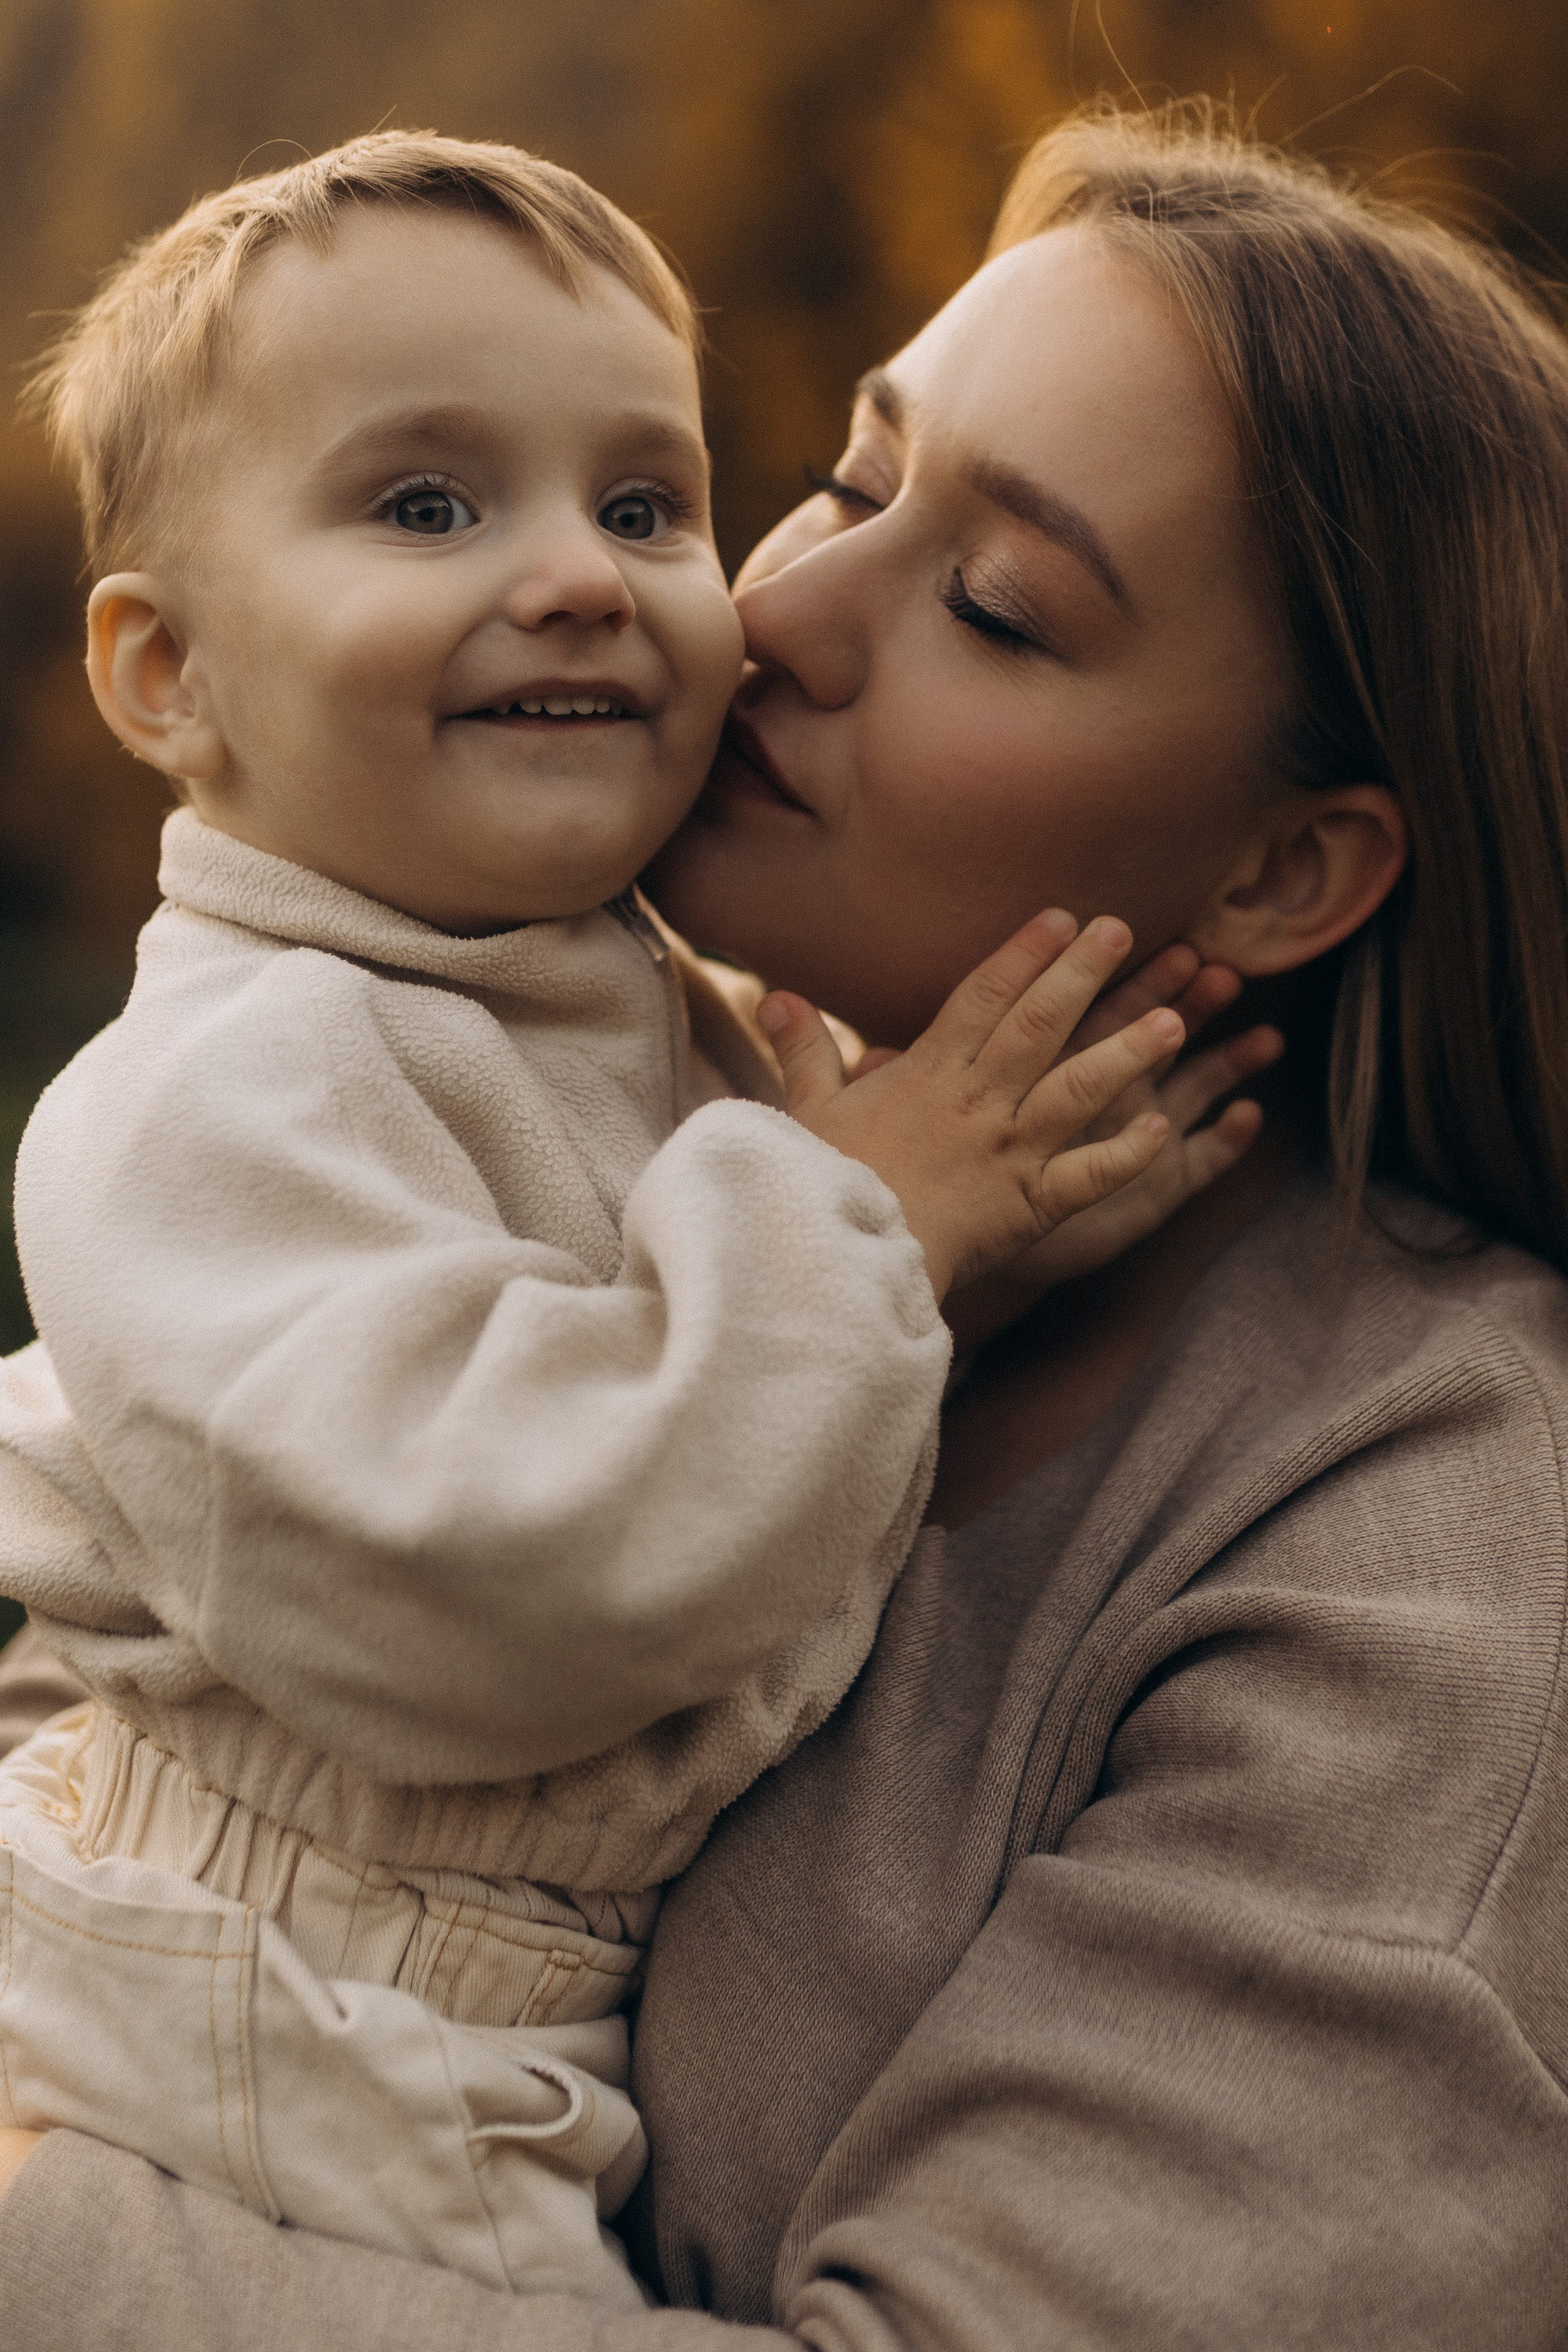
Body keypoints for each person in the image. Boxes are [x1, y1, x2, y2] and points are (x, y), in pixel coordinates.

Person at [6, 96, 1568, 2349]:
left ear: (1283, 872)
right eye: (843, 480)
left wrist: (44, 2245)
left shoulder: (1443, 1570)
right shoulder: (625, 1083)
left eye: (996, 608)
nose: (776, 615)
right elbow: (130, 1610)